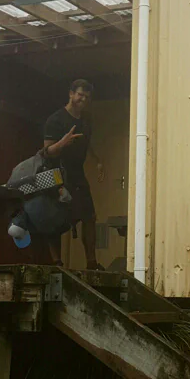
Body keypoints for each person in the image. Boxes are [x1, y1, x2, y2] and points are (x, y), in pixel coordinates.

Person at [42, 79, 105, 269]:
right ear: (71, 94)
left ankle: (92, 263)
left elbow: (86, 143)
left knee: (89, 216)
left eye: (87, 97)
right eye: (80, 95)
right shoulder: (55, 120)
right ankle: (57, 263)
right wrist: (62, 143)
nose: (83, 99)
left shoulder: (86, 120)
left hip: (77, 174)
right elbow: (46, 152)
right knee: (55, 218)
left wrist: (97, 160)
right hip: (55, 173)